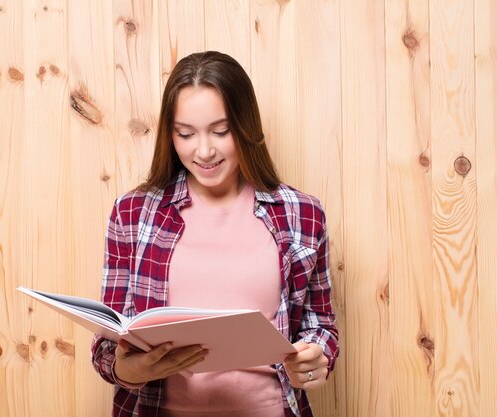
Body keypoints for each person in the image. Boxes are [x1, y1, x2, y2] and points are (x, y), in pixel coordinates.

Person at [91, 51, 339, 417]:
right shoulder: (133, 213)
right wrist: (126, 370)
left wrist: (317, 358)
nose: (204, 151)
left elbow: (321, 328)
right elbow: (106, 345)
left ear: (245, 126)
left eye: (221, 132)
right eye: (185, 134)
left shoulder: (301, 214)